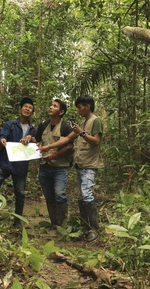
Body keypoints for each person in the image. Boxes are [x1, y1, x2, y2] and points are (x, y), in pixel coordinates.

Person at [39, 95, 104, 242]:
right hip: (81, 165)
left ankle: (93, 229)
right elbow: (67, 139)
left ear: (87, 106)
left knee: (87, 195)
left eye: (80, 107)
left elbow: (96, 141)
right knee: (82, 196)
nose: (78, 110)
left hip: (90, 165)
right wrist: (48, 147)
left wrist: (81, 132)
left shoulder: (96, 121)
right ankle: (85, 226)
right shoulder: (82, 122)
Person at [0, 97, 37, 228]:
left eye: (30, 108)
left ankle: (17, 220)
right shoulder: (11, 124)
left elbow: (37, 144)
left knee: (20, 193)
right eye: (25, 106)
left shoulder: (33, 129)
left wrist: (31, 138)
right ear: (20, 109)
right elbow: (2, 135)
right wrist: (2, 140)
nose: (27, 109)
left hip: (20, 166)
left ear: (32, 112)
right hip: (5, 162)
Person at [34, 99, 73, 227]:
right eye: (51, 105)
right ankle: (54, 223)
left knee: (60, 194)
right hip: (44, 166)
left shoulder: (66, 127)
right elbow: (37, 140)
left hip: (60, 167)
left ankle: (63, 224)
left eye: (55, 106)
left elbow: (70, 146)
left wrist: (55, 154)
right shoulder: (43, 125)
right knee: (49, 196)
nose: (51, 107)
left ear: (61, 112)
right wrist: (30, 139)